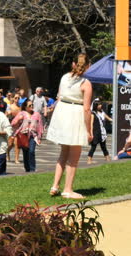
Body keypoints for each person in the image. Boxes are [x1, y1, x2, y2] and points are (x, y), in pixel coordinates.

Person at [47, 53, 93, 200]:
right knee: (74, 155)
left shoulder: (64, 77)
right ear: (88, 66)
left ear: (73, 64)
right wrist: (89, 130)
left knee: (63, 152)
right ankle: (67, 189)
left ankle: (55, 186)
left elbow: (59, 95)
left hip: (62, 111)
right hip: (74, 113)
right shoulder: (86, 83)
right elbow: (87, 109)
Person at [11, 99, 44, 172]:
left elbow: (40, 126)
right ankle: (27, 169)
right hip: (23, 136)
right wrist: (19, 119)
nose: (31, 106)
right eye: (29, 105)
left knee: (31, 151)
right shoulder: (22, 113)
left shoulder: (37, 114)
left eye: (32, 105)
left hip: (33, 135)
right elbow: (13, 123)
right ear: (25, 107)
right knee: (25, 153)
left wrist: (39, 137)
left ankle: (32, 169)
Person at [6, 94, 22, 163]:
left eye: (18, 98)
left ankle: (16, 159)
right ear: (13, 99)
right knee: (10, 144)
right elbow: (5, 116)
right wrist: (9, 114)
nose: (17, 99)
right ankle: (7, 152)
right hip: (11, 127)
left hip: (19, 127)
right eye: (16, 98)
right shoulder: (10, 106)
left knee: (17, 143)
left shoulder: (21, 107)